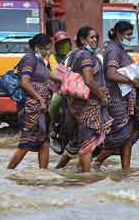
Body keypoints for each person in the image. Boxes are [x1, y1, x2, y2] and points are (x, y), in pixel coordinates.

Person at [55, 26, 112, 173]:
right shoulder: (86, 56)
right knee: (88, 141)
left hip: (75, 103)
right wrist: (102, 96)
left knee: (78, 139)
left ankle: (58, 169)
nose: (95, 40)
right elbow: (88, 79)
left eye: (96, 37)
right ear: (82, 39)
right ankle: (86, 177)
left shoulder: (75, 54)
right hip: (88, 104)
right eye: (91, 37)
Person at [95, 21, 139, 171]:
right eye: (128, 34)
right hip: (116, 100)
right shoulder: (114, 50)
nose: (130, 37)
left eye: (131, 34)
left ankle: (125, 171)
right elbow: (111, 74)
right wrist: (131, 81)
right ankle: (96, 163)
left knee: (127, 138)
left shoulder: (120, 49)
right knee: (119, 136)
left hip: (125, 99)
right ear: (118, 33)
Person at [8, 34, 61, 169]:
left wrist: (70, 79)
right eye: (46, 49)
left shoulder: (42, 62)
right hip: (31, 107)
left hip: (42, 109)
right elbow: (25, 83)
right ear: (37, 47)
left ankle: (43, 173)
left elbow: (50, 75)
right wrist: (40, 99)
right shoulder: (29, 60)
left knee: (44, 141)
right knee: (26, 143)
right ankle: (9, 172)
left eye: (50, 49)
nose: (48, 52)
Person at [47, 31, 73, 154]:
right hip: (59, 88)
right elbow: (55, 71)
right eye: (61, 44)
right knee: (54, 102)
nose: (64, 46)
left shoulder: (74, 55)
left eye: (66, 43)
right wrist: (66, 78)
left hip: (74, 85)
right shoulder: (53, 57)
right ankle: (52, 126)